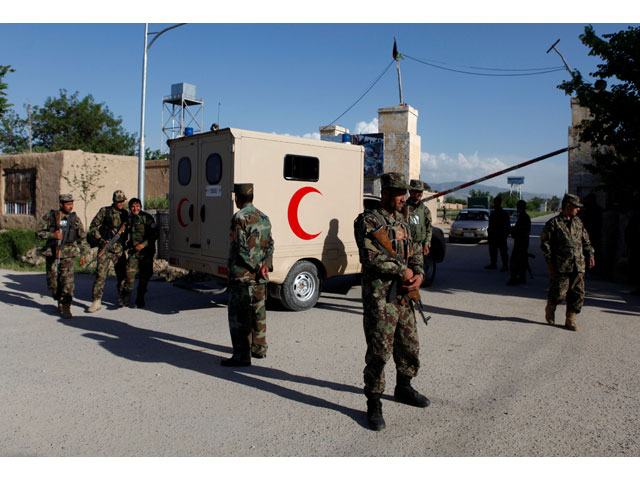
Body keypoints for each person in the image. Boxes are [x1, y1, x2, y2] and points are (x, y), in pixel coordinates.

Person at [354, 172, 429, 432]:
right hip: (380, 296)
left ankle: (404, 387)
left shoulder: (403, 220)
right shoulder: (369, 221)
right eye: (398, 193)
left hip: (404, 295)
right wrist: (403, 271)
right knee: (379, 351)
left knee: (409, 344)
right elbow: (370, 257)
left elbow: (415, 250)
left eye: (404, 192)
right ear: (384, 193)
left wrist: (418, 274)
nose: (403, 197)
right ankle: (373, 402)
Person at [221, 183, 274, 367]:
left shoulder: (239, 218)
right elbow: (270, 244)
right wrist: (265, 265)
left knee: (239, 316)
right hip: (260, 277)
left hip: (242, 277)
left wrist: (254, 265)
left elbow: (240, 247)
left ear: (238, 198)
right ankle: (259, 349)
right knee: (258, 312)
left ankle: (241, 356)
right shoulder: (264, 217)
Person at [540, 193, 595, 331]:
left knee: (578, 293)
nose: (578, 209)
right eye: (576, 207)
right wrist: (549, 262)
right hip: (561, 265)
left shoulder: (578, 222)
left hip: (578, 264)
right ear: (568, 206)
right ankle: (551, 307)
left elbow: (586, 241)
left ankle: (570, 319)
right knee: (559, 292)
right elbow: (545, 244)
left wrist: (590, 255)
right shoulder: (554, 224)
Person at [35, 194, 88, 318]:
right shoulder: (51, 217)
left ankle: (66, 305)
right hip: (52, 251)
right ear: (61, 204)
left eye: (71, 204)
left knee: (67, 281)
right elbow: (38, 232)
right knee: (52, 281)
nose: (71, 206)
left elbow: (82, 237)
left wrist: (83, 253)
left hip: (69, 253)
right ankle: (58, 298)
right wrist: (52, 235)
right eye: (68, 204)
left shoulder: (75, 219)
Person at [87, 190, 130, 312]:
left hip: (119, 249)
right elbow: (93, 227)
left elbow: (130, 229)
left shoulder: (125, 214)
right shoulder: (104, 211)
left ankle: (122, 297)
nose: (121, 203)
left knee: (122, 275)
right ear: (114, 201)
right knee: (100, 275)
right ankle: (96, 301)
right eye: (119, 201)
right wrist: (100, 240)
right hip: (105, 248)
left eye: (123, 201)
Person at [122, 197, 160, 308]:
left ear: (141, 207)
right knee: (129, 275)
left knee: (144, 278)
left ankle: (140, 299)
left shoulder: (147, 218)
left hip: (146, 253)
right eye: (133, 207)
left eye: (137, 206)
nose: (135, 208)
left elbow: (155, 234)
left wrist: (142, 245)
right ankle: (126, 296)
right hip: (133, 252)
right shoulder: (129, 219)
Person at [405, 179, 433, 261]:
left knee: (418, 271)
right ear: (410, 191)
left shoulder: (425, 210)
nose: (419, 193)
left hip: (419, 248)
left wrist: (426, 244)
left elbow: (429, 228)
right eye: (416, 191)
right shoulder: (403, 208)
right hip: (405, 247)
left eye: (421, 191)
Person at [507, 199, 531, 285]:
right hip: (522, 242)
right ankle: (521, 277)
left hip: (521, 243)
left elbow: (520, 231)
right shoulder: (524, 216)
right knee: (522, 261)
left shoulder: (523, 217)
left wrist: (513, 232)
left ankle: (514, 278)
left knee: (515, 261)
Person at [485, 196, 510, 272]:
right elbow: (491, 225)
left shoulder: (503, 213)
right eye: (494, 202)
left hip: (501, 236)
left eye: (496, 202)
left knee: (503, 252)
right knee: (492, 251)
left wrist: (505, 235)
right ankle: (493, 264)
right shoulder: (493, 213)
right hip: (493, 236)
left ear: (499, 203)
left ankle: (505, 265)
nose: (495, 204)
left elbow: (506, 225)